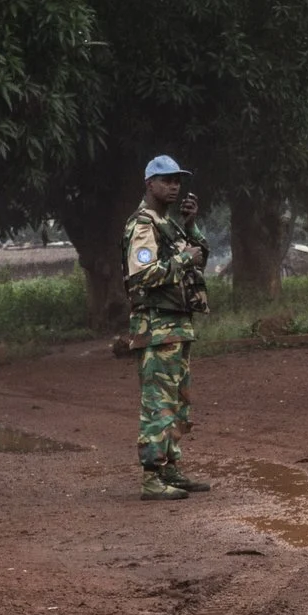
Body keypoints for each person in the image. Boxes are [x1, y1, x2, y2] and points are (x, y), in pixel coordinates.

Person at [124, 155, 212, 500]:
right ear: (150, 184)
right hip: (157, 327)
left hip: (177, 326)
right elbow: (142, 273)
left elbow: (200, 255)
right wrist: (181, 259)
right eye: (167, 180)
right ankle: (151, 478)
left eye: (178, 180)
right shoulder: (143, 225)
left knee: (178, 403)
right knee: (158, 405)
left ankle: (170, 468)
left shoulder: (169, 223)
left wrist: (191, 225)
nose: (174, 186)